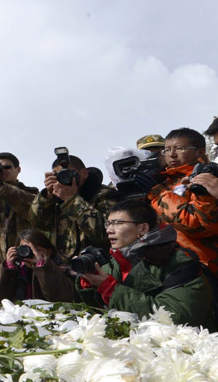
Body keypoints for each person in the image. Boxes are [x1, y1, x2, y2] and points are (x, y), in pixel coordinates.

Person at [78, 199, 214, 329]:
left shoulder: (177, 261)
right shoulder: (114, 264)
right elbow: (99, 315)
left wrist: (109, 288)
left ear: (143, 229)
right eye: (108, 224)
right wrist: (89, 284)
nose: (109, 230)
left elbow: (172, 317)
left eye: (118, 223)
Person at [149, 127, 218, 275]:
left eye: (179, 149)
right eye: (166, 150)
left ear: (200, 152)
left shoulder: (207, 177)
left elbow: (197, 226)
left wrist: (158, 194)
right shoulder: (164, 181)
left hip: (203, 266)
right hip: (169, 267)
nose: (172, 155)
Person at [30, 152, 119, 261]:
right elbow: (37, 223)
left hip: (97, 265)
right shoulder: (55, 199)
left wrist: (71, 200)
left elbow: (104, 233)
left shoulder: (105, 195)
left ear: (84, 173)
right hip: (64, 268)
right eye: (59, 175)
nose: (65, 178)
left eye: (70, 173)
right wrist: (46, 196)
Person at [0, 228, 78, 303]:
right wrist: (8, 268)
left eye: (38, 250)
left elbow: (61, 298)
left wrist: (42, 266)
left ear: (49, 251)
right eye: (26, 249)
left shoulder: (61, 269)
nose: (33, 253)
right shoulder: (15, 270)